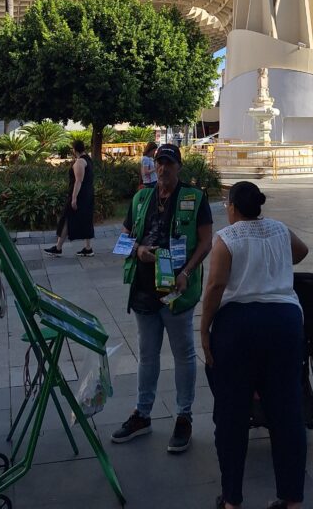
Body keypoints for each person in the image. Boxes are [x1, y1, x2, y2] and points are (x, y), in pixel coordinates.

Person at [200, 181, 309, 509]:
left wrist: (204, 329)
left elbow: (216, 285)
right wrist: (274, 265)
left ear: (233, 207)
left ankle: (232, 499)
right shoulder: (279, 229)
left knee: (231, 416)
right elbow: (302, 251)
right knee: (287, 413)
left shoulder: (227, 238)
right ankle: (291, 498)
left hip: (239, 328)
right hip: (285, 324)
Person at [111, 143, 213, 453]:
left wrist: (187, 272)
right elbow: (124, 238)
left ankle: (184, 416)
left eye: (169, 163)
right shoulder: (141, 198)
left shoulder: (195, 198)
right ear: (154, 166)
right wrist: (138, 249)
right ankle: (142, 414)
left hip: (177, 291)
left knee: (183, 353)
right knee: (147, 354)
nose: (164, 168)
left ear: (179, 166)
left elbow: (206, 242)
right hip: (144, 289)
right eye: (160, 162)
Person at [44, 139, 95, 257]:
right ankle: (88, 248)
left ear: (74, 150)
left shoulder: (80, 162)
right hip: (88, 194)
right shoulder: (88, 160)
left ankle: (58, 248)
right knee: (86, 219)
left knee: (66, 218)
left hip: (80, 195)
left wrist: (74, 198)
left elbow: (78, 181)